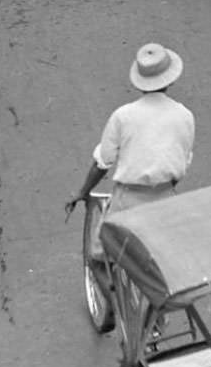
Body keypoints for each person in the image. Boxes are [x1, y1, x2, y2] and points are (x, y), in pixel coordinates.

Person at [64, 43, 194, 252]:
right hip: (166, 199)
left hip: (129, 199)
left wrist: (83, 191)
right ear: (171, 79)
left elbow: (103, 162)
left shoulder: (123, 116)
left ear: (139, 82)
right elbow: (182, 161)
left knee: (100, 254)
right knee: (169, 257)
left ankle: (110, 285)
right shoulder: (185, 116)